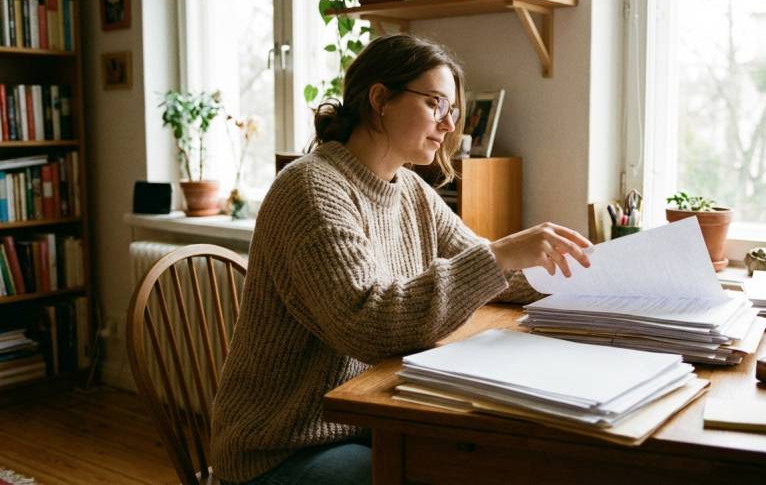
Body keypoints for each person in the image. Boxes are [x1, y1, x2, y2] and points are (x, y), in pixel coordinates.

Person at [211, 34, 592, 485]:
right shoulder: (311, 188)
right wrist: (500, 256)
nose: (449, 125)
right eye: (435, 104)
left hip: (369, 417)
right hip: (281, 445)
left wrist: (589, 277)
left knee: (490, 457)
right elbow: (369, 323)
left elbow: (493, 272)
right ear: (380, 99)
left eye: (451, 110)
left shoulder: (410, 190)